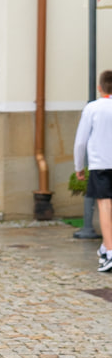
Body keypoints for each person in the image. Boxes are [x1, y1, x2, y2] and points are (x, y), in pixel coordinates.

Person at [74, 70, 112, 272]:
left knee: (105, 206)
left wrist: (79, 166)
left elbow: (81, 141)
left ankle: (110, 252)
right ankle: (106, 247)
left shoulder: (93, 108)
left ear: (100, 87)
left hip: (101, 163)